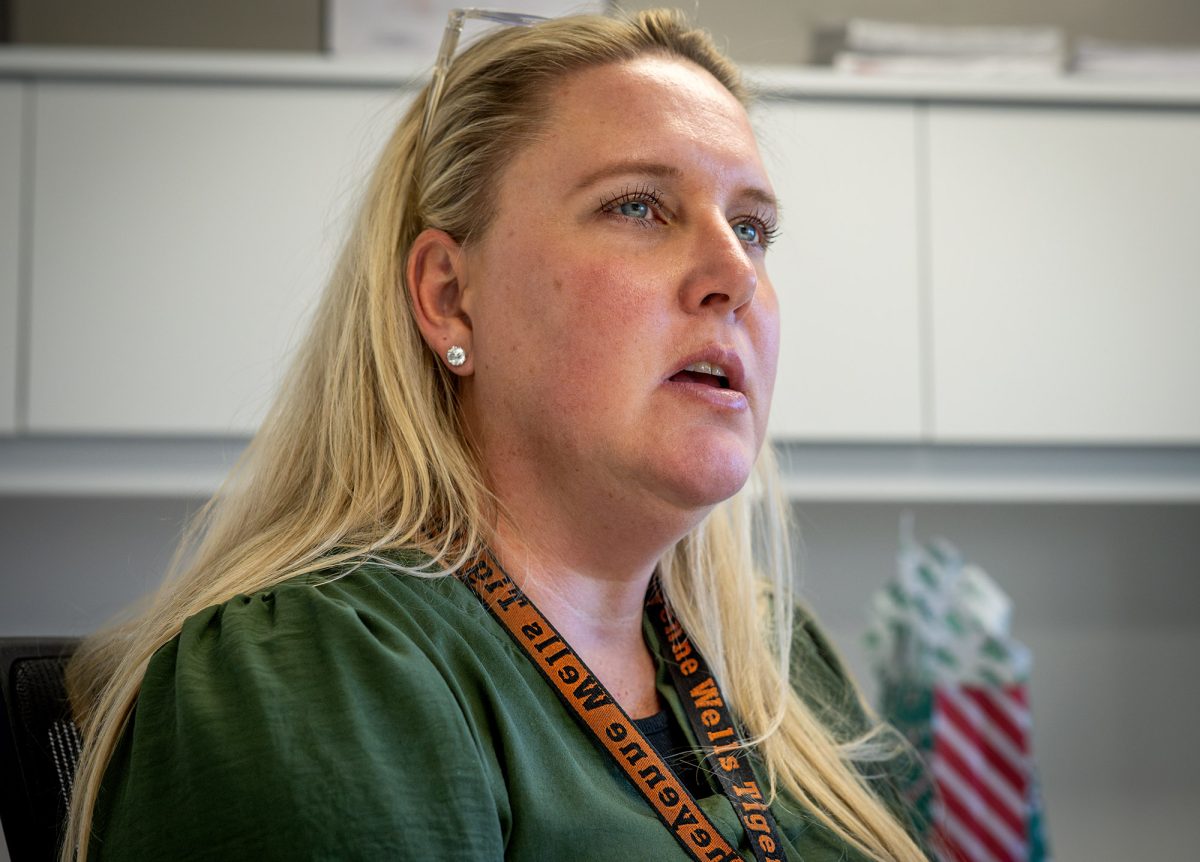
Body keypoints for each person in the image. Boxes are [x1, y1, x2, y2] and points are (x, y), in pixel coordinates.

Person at [63, 9, 929, 861]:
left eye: (752, 227)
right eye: (638, 206)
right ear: (447, 295)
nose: (736, 274)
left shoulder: (782, 666)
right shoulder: (322, 675)